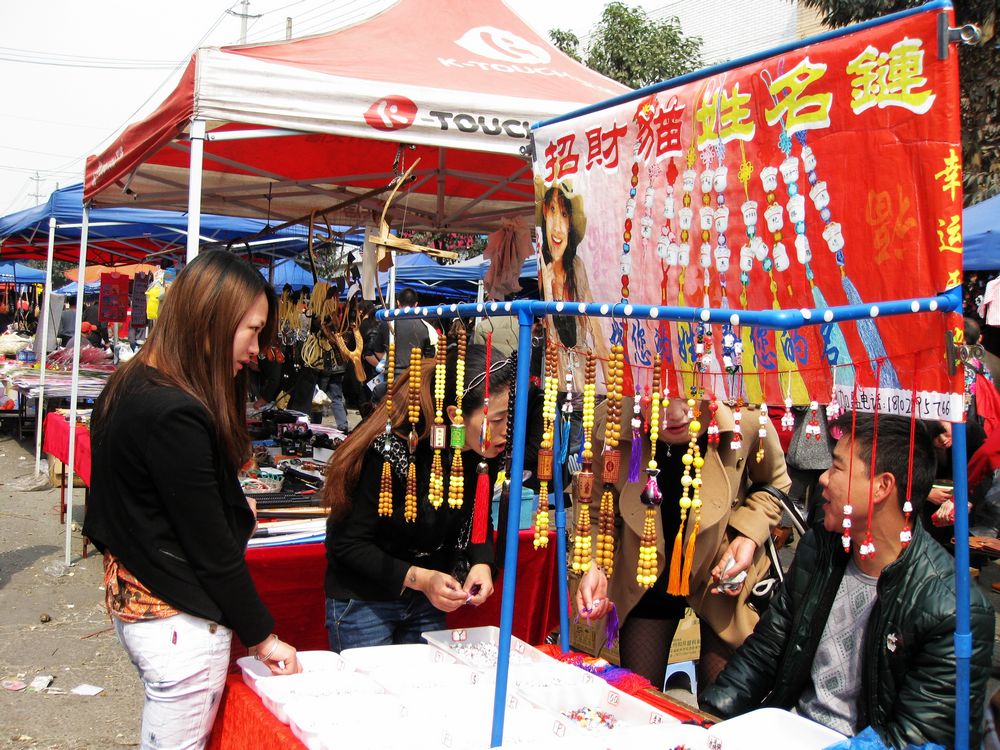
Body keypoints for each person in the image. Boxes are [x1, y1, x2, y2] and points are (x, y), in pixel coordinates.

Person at [84, 251, 300, 750]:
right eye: (252, 330)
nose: (255, 350)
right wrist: (264, 638)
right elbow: (213, 551)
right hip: (179, 624)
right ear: (212, 319)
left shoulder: (129, 383)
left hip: (146, 608)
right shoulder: (174, 412)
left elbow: (126, 510)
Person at [700, 413, 994, 748]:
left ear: (882, 486)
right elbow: (765, 652)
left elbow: (917, 738)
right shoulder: (821, 547)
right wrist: (705, 722)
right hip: (790, 731)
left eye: (837, 467)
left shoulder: (952, 609)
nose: (824, 479)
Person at [576, 395, 789, 692]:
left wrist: (747, 536)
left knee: (719, 704)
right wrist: (594, 564)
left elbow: (775, 483)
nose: (673, 415)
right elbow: (596, 511)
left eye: (687, 397)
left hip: (721, 573)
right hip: (645, 572)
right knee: (640, 694)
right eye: (657, 399)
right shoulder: (612, 422)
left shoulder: (747, 418)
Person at [322, 342, 512, 651]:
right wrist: (421, 579)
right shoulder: (393, 449)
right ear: (455, 415)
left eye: (509, 417)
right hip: (365, 601)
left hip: (426, 599)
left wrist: (482, 563)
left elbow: (476, 520)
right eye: (497, 420)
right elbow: (347, 543)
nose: (506, 430)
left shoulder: (481, 453)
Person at [536, 178, 610, 390]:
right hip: (557, 382)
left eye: (564, 214)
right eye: (552, 211)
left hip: (583, 381)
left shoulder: (577, 267)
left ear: (570, 224)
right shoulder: (543, 274)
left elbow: (596, 332)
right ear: (544, 212)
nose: (557, 227)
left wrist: (613, 389)